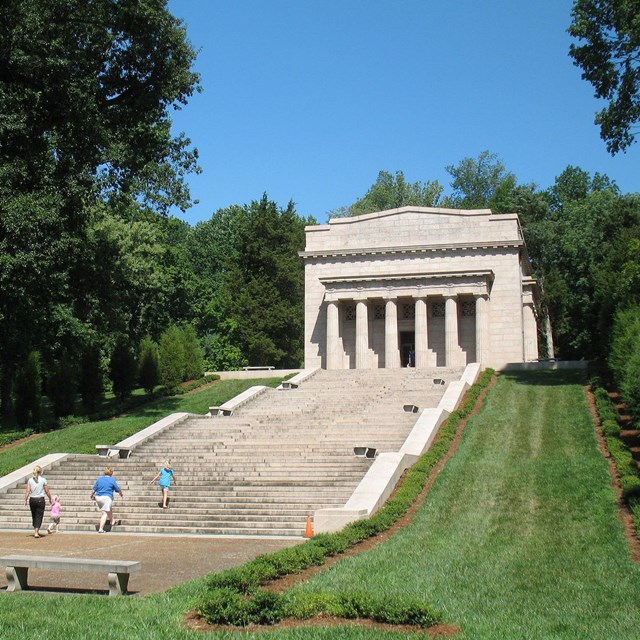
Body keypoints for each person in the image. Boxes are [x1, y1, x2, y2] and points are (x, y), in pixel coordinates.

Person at [90, 467, 123, 533]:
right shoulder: (112, 480)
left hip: (98, 497)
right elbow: (117, 489)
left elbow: (94, 489)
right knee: (104, 513)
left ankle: (112, 521)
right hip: (107, 497)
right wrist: (121, 494)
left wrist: (91, 496)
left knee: (109, 508)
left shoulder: (99, 479)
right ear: (111, 473)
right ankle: (101, 529)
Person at [23, 465, 52, 538]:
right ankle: (36, 531)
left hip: (32, 499)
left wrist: (25, 500)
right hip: (40, 499)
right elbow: (47, 491)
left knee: (34, 515)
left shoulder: (30, 480)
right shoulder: (43, 480)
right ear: (40, 471)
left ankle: (35, 529)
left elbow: (27, 491)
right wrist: (50, 498)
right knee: (39, 515)